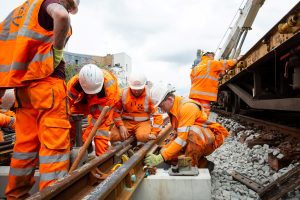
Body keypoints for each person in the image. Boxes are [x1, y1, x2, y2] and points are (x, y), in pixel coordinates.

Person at [0, 0, 80, 198]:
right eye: (70, 5)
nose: (69, 10)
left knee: (23, 150)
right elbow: (61, 16)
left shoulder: (17, 14)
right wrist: (57, 51)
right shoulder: (50, 4)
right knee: (53, 151)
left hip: (23, 90)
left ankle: (15, 196)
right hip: (48, 87)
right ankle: (51, 196)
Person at [144, 82, 230, 168]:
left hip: (206, 140)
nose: (161, 110)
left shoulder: (187, 107)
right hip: (192, 139)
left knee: (192, 133)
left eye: (161, 106)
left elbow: (181, 139)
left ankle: (190, 168)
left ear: (170, 100)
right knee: (166, 152)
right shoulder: (174, 109)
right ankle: (203, 164)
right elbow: (178, 134)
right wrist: (163, 153)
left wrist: (161, 157)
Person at [67, 64, 119, 156]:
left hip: (103, 107)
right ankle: (69, 148)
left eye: (94, 92)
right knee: (71, 121)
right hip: (83, 102)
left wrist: (84, 139)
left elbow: (98, 120)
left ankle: (101, 159)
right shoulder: (74, 84)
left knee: (101, 133)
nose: (92, 94)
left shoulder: (109, 90)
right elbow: (65, 104)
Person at [110, 72, 163, 143]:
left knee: (143, 137)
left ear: (144, 85)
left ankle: (139, 144)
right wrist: (120, 126)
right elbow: (116, 112)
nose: (137, 92)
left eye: (139, 89)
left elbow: (157, 115)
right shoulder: (124, 94)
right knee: (114, 136)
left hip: (143, 123)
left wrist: (154, 133)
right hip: (126, 122)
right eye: (134, 89)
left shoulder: (150, 95)